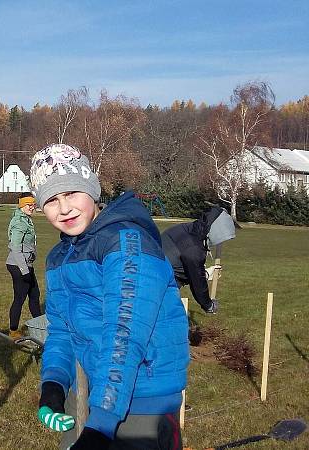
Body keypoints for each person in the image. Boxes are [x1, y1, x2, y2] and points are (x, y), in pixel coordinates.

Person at [29, 143, 189, 450]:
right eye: (51, 200)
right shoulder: (60, 257)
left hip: (142, 399)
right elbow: (61, 330)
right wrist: (53, 385)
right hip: (94, 393)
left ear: (92, 189)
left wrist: (100, 425)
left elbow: (124, 336)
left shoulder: (128, 242)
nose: (64, 208)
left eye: (72, 193)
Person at [161, 206, 236, 314]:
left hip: (157, 273)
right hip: (161, 283)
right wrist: (208, 305)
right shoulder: (194, 249)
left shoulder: (188, 229)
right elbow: (197, 281)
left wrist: (205, 273)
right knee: (163, 319)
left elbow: (190, 269)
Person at [5, 192, 43, 340]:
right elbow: (15, 247)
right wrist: (24, 270)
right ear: (22, 205)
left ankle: (41, 326)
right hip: (18, 265)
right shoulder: (19, 222)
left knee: (34, 295)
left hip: (25, 264)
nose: (32, 207)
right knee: (20, 298)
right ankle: (13, 331)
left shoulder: (25, 219)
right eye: (29, 204)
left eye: (33, 204)